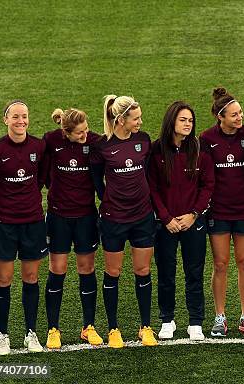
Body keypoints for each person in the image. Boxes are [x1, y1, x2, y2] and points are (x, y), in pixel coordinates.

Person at [90, 95, 157, 348]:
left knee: (143, 271)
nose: (140, 122)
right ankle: (113, 329)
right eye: (136, 118)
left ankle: (145, 327)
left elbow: (148, 174)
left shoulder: (144, 140)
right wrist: (109, 201)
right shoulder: (102, 146)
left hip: (142, 217)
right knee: (113, 272)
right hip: (113, 218)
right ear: (121, 119)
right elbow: (97, 181)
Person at [0, 100, 47, 355]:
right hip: (4, 224)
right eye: (16, 116)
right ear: (5, 120)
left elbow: (41, 177)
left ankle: (31, 333)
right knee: (3, 279)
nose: (21, 121)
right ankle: (3, 336)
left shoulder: (39, 147)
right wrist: (3, 205)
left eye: (25, 116)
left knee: (31, 277)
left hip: (32, 222)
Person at [148, 101, 214, 341]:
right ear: (171, 122)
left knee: (194, 272)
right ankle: (167, 320)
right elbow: (152, 187)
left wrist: (193, 214)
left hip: (192, 222)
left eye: (190, 121)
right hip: (165, 224)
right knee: (166, 273)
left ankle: (195, 322)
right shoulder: (156, 150)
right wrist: (166, 218)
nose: (188, 124)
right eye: (183, 120)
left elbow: (208, 185)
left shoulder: (200, 148)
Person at [42, 108, 103, 349]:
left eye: (86, 129)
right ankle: (53, 329)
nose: (85, 135)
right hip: (58, 217)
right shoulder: (51, 140)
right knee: (57, 269)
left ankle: (88, 327)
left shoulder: (94, 141)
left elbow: (111, 138)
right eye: (79, 133)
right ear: (66, 132)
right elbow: (44, 170)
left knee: (86, 268)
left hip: (86, 216)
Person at [201, 88, 244, 337]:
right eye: (234, 115)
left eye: (241, 113)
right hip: (219, 211)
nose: (240, 118)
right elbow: (204, 173)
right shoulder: (206, 139)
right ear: (220, 117)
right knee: (221, 263)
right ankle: (220, 316)